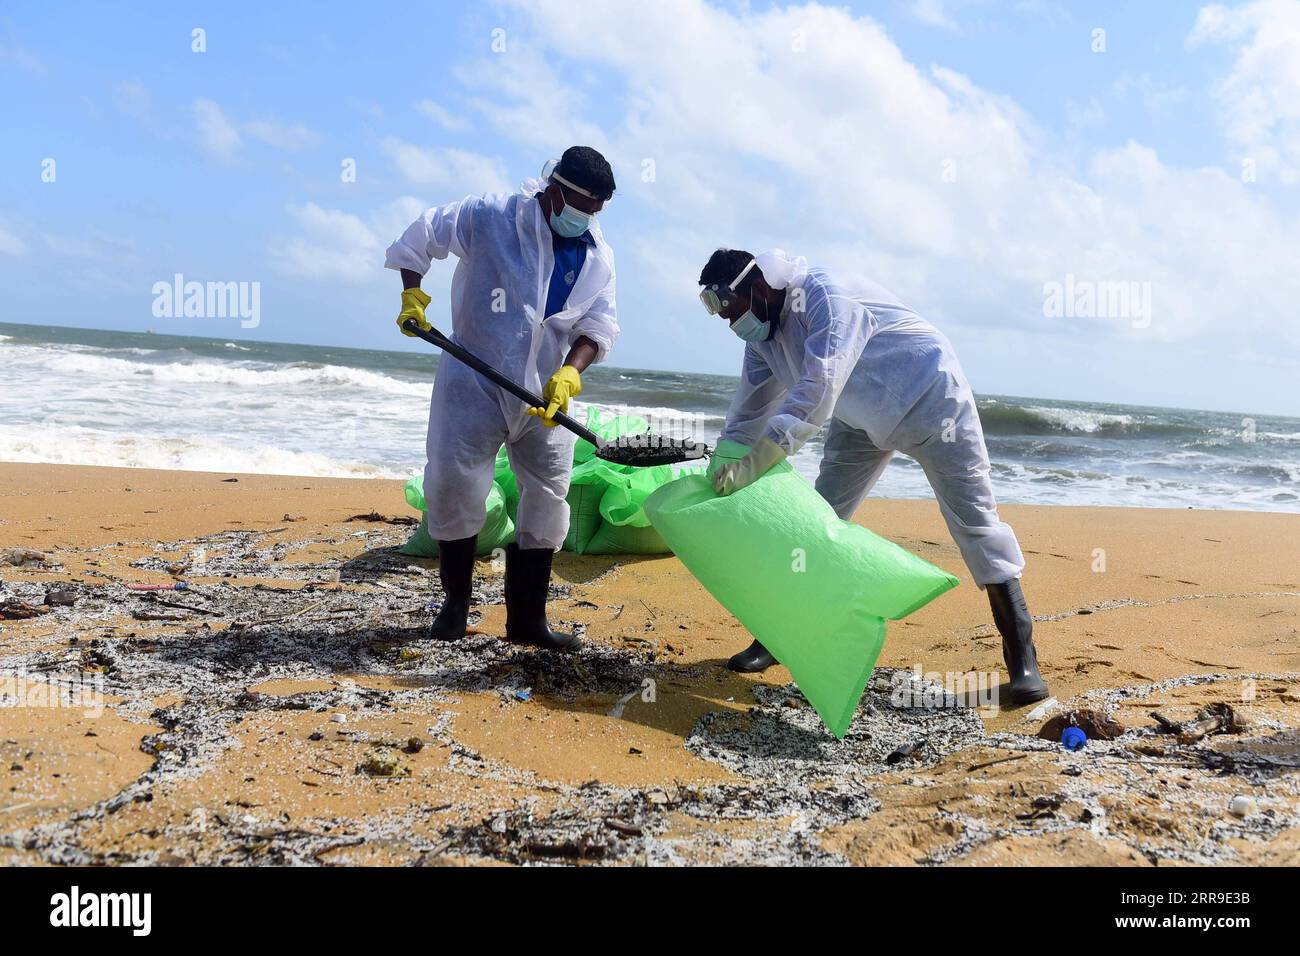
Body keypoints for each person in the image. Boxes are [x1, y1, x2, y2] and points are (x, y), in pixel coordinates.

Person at [698, 248, 1049, 705]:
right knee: (818, 523)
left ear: (759, 287)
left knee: (975, 524)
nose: (732, 324)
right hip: (859, 419)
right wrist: (724, 461)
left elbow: (817, 388)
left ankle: (1023, 660)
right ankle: (774, 639)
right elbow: (748, 413)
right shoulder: (761, 341)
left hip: (931, 401)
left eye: (732, 310)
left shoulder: (825, 296)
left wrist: (755, 464)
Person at [385, 147, 618, 652]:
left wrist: (569, 375)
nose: (587, 218)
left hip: (543, 396)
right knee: (452, 486)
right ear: (553, 188)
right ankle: (454, 609)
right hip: (474, 380)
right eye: (581, 206)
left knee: (549, 497)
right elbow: (421, 235)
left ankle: (528, 622)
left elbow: (598, 325)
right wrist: (412, 294)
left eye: (596, 210)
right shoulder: (491, 216)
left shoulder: (597, 255)